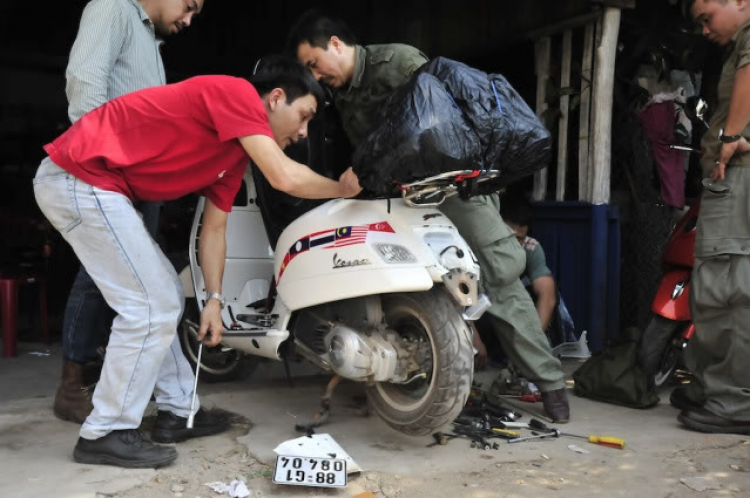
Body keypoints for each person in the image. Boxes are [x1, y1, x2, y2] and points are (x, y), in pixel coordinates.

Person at [33, 56, 362, 468]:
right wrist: (341, 189)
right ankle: (107, 430)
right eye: (303, 117)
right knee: (150, 303)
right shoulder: (238, 94)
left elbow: (214, 230)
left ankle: (177, 412)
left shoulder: (232, 157)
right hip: (78, 177)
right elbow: (284, 176)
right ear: (276, 99)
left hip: (100, 188)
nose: (301, 133)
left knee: (167, 292)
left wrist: (214, 300)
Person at [287, 11, 570, 423]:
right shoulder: (341, 95)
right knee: (389, 283)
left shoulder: (396, 62)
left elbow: (441, 121)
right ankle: (398, 378)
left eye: (314, 64)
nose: (316, 75)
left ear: (334, 43)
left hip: (451, 192)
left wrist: (367, 165)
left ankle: (549, 384)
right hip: (397, 200)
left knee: (498, 276)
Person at [54, 0, 204, 424]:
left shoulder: (150, 41)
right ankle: (73, 385)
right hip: (107, 172)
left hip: (137, 179)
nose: (188, 21)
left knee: (140, 285)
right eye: (189, 7)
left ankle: (133, 387)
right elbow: (85, 82)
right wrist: (96, 161)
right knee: (99, 277)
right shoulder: (113, 8)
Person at [674, 0, 750, 434]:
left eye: (707, 17)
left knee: (729, 292)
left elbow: (748, 76)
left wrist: (732, 137)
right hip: (734, 179)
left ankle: (735, 402)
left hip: (737, 179)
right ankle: (716, 388)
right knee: (720, 289)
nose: (704, 29)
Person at [500, 197, 557, 332]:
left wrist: (536, 339)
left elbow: (547, 295)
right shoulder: (483, 247)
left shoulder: (530, 247)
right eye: (508, 237)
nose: (513, 244)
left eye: (518, 239)